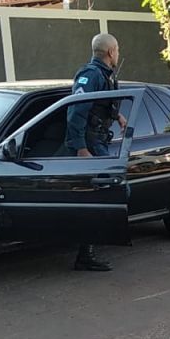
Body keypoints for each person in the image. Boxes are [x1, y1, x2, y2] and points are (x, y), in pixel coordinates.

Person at [66, 33, 128, 272]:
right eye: (118, 50)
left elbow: (101, 104)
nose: (118, 54)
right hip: (90, 145)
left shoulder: (105, 75)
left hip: (99, 140)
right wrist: (81, 148)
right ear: (111, 52)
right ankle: (85, 254)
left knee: (108, 193)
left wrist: (117, 115)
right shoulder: (90, 76)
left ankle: (88, 248)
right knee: (101, 195)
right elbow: (76, 112)